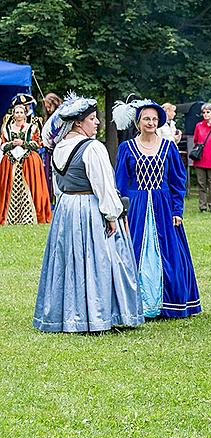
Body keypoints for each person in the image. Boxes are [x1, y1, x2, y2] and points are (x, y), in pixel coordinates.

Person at [33, 93, 144, 333]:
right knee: (98, 261)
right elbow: (103, 185)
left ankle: (67, 316)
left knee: (67, 262)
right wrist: (113, 215)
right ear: (77, 123)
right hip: (89, 208)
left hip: (66, 209)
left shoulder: (59, 147)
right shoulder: (93, 148)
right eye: (92, 119)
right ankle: (98, 316)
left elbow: (58, 186)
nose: (97, 123)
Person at [114, 99, 202, 319]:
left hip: (163, 208)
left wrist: (176, 211)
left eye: (154, 119)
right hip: (136, 208)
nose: (151, 122)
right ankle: (137, 303)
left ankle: (167, 303)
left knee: (169, 255)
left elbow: (177, 182)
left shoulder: (168, 146)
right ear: (139, 122)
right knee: (134, 252)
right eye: (146, 118)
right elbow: (120, 183)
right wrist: (121, 212)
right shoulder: (127, 148)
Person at [0, 94, 52, 225]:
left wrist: (23, 143)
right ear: (13, 113)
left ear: (25, 113)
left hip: (28, 161)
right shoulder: (6, 128)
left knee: (31, 187)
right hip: (11, 161)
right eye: (16, 112)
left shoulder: (32, 127)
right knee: (8, 188)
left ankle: (29, 216)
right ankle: (10, 217)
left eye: (21, 112)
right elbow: (2, 144)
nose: (18, 115)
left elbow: (38, 144)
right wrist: (12, 144)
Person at [41, 92, 62, 204]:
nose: (47, 108)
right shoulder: (51, 117)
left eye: (49, 106)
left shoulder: (59, 115)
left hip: (57, 149)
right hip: (49, 150)